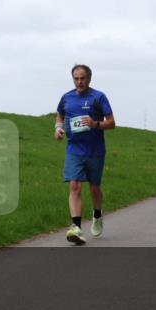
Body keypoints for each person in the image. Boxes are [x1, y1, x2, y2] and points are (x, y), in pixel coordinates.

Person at [55, 64, 115, 244]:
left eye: (82, 78)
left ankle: (97, 214)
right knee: (74, 185)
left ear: (89, 79)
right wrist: (58, 129)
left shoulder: (98, 97)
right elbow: (60, 115)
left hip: (95, 150)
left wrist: (95, 124)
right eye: (76, 78)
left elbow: (112, 123)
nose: (79, 82)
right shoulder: (66, 98)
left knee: (94, 188)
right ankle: (76, 227)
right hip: (74, 149)